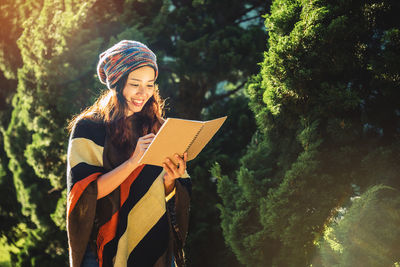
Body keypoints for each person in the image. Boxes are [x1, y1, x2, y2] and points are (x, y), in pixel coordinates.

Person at [66, 40, 191, 267]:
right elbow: (84, 194)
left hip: (155, 248)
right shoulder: (90, 127)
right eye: (135, 84)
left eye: (150, 84)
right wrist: (134, 162)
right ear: (116, 83)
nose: (143, 93)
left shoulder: (159, 128)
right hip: (102, 251)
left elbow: (171, 195)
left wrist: (172, 181)